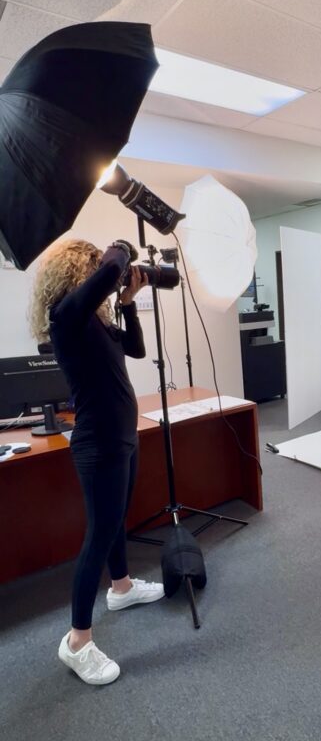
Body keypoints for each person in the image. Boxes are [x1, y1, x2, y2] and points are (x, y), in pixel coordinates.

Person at [29, 239, 164, 685]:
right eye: (93, 268)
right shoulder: (65, 316)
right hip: (98, 443)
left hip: (123, 435)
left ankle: (121, 587)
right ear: (77, 272)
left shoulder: (95, 321)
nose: (104, 274)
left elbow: (137, 349)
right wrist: (121, 248)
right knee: (99, 535)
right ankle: (77, 642)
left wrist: (128, 304)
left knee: (116, 519)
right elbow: (108, 272)